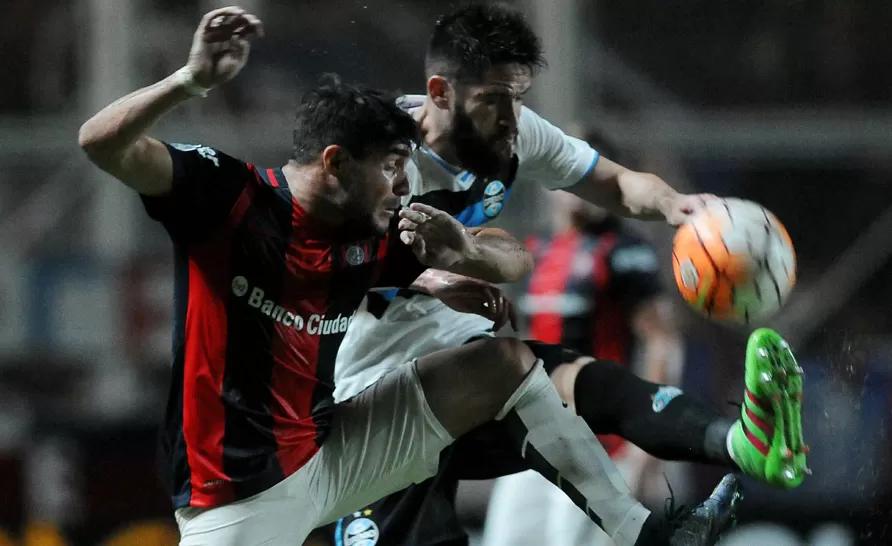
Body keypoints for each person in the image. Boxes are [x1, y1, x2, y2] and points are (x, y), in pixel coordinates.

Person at [78, 7, 739, 546]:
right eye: (393, 167)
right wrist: (190, 81)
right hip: (236, 502)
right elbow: (100, 143)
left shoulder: (378, 226)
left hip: (333, 453)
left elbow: (515, 260)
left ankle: (645, 535)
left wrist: (460, 256)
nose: (404, 183)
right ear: (335, 164)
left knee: (505, 362)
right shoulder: (233, 201)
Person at [325, 4, 807, 545]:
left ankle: (742, 444)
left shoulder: (515, 135)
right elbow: (317, 263)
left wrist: (675, 204)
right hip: (374, 396)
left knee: (576, 383)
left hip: (461, 365)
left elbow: (614, 183)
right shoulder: (376, 153)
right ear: (440, 93)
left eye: (519, 96)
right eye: (492, 100)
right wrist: (426, 280)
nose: (511, 118)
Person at [482, 129, 686, 546]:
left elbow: (662, 342)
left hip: (598, 447)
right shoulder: (536, 251)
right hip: (531, 442)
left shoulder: (625, 253)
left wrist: (647, 443)